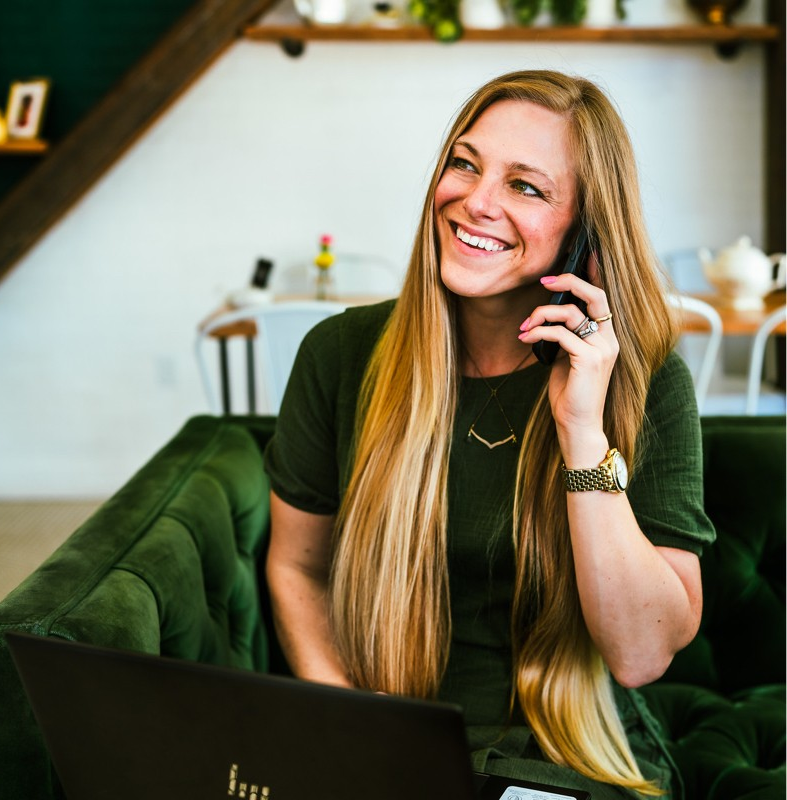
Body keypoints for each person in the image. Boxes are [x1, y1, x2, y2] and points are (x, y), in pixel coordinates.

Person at [263, 70, 715, 798]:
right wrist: (349, 719)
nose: (476, 201)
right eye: (465, 164)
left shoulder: (644, 378)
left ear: (584, 233)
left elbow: (640, 655)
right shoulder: (341, 353)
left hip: (567, 753)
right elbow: (297, 568)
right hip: (385, 745)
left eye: (525, 186)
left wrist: (581, 428)